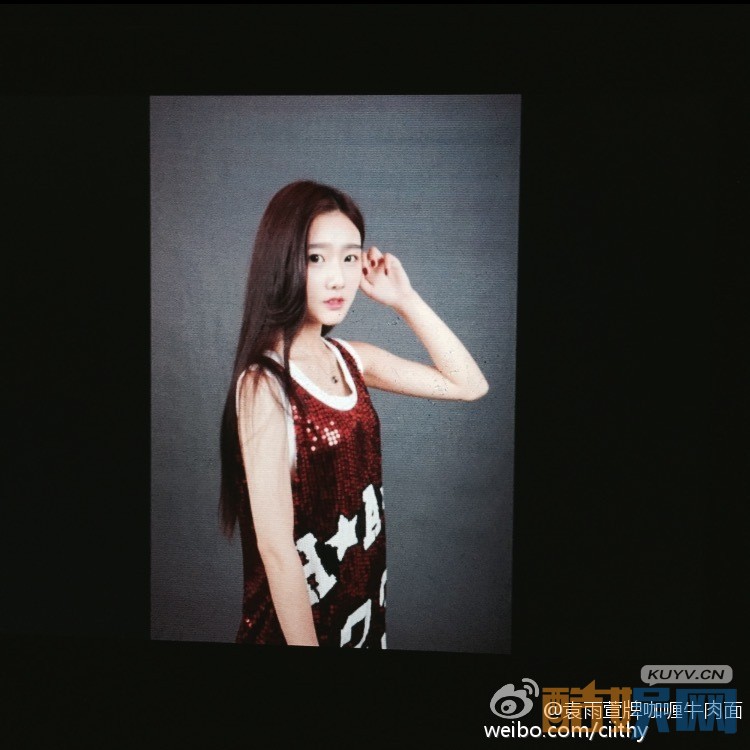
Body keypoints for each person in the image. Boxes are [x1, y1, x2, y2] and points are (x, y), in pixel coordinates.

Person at [219, 180, 488, 647]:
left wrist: (404, 299)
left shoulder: (350, 358)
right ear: (282, 261)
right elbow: (277, 551)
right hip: (299, 631)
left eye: (349, 257)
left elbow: (468, 384)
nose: (338, 278)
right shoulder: (265, 383)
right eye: (316, 258)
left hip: (361, 615)